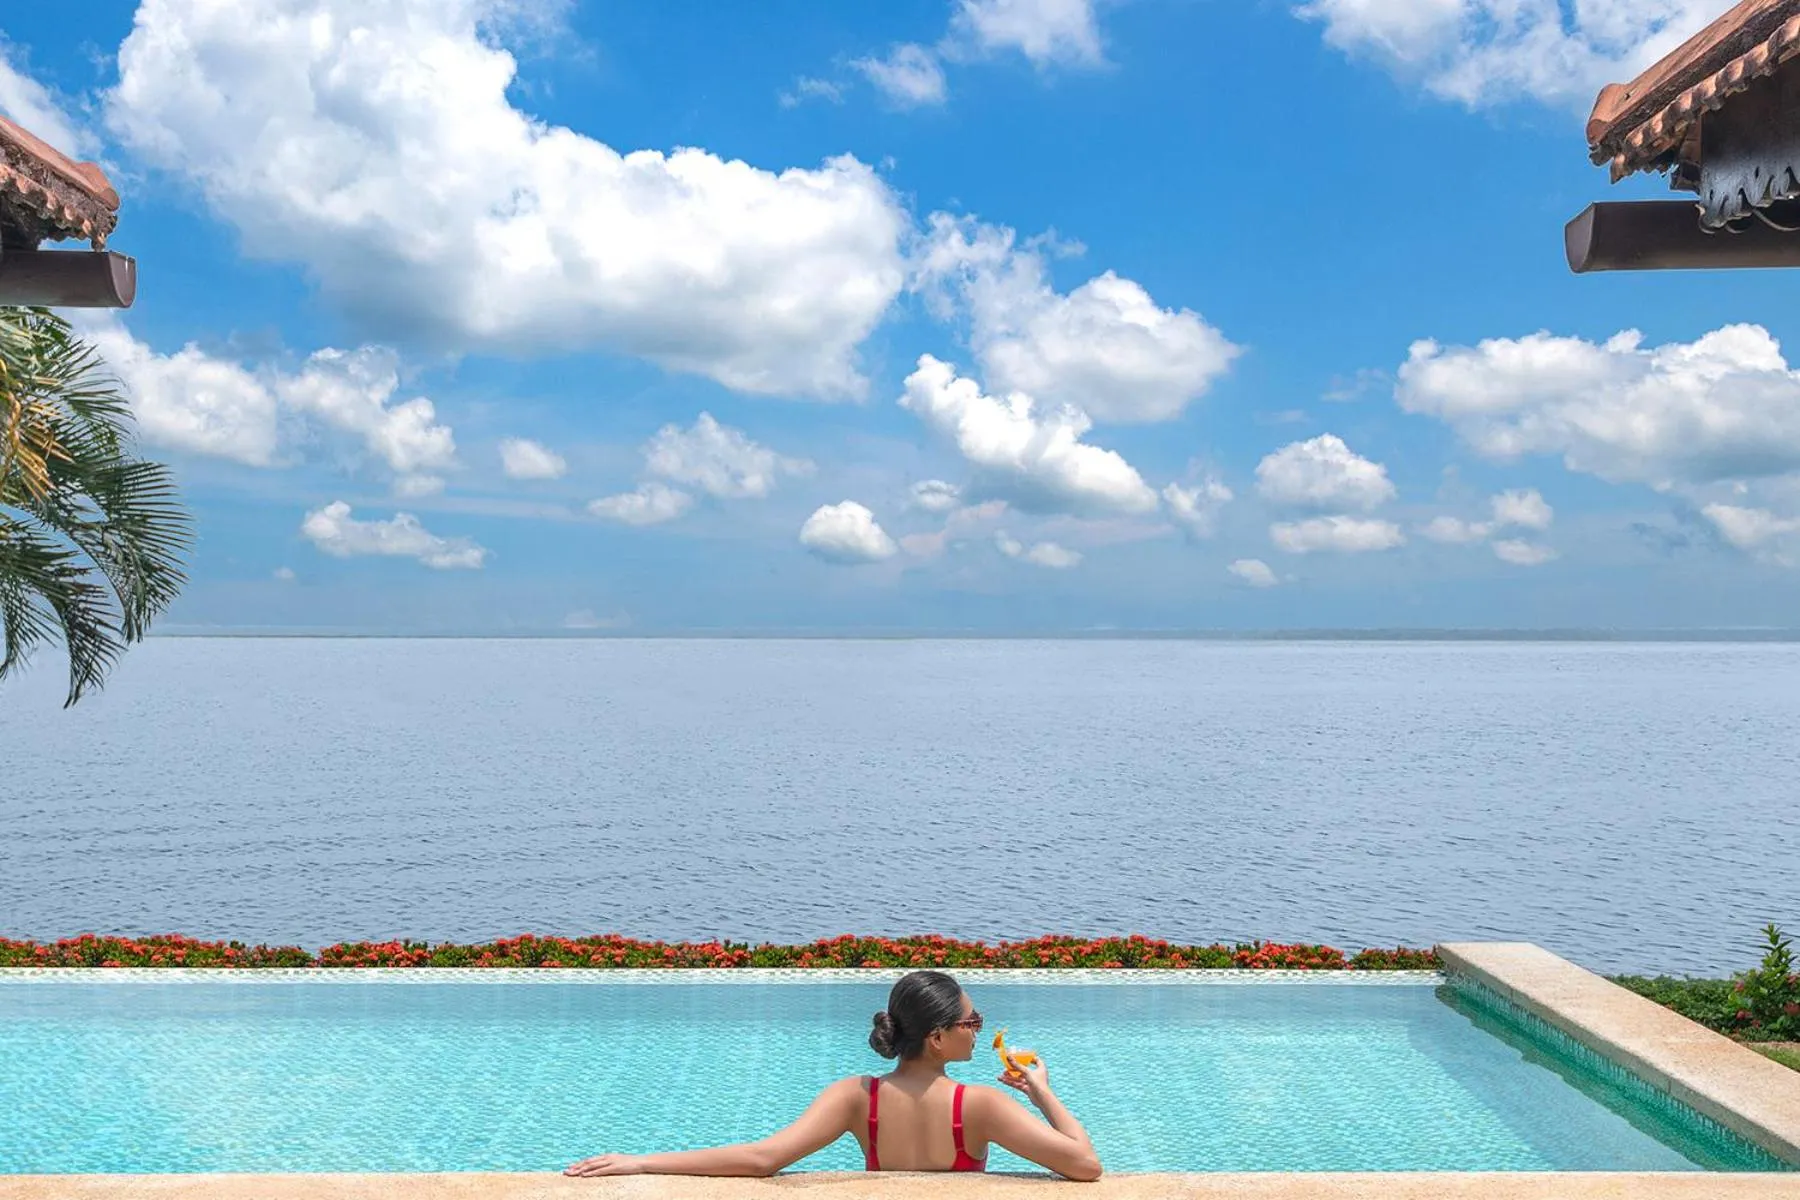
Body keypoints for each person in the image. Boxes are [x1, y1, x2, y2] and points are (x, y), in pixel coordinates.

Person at [564, 969, 1102, 1181]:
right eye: (972, 1021)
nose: (978, 1032)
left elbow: (761, 1159)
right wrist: (1043, 1094)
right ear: (937, 1036)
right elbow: (1084, 1166)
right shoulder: (980, 1107)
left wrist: (640, 1162)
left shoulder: (855, 1097)